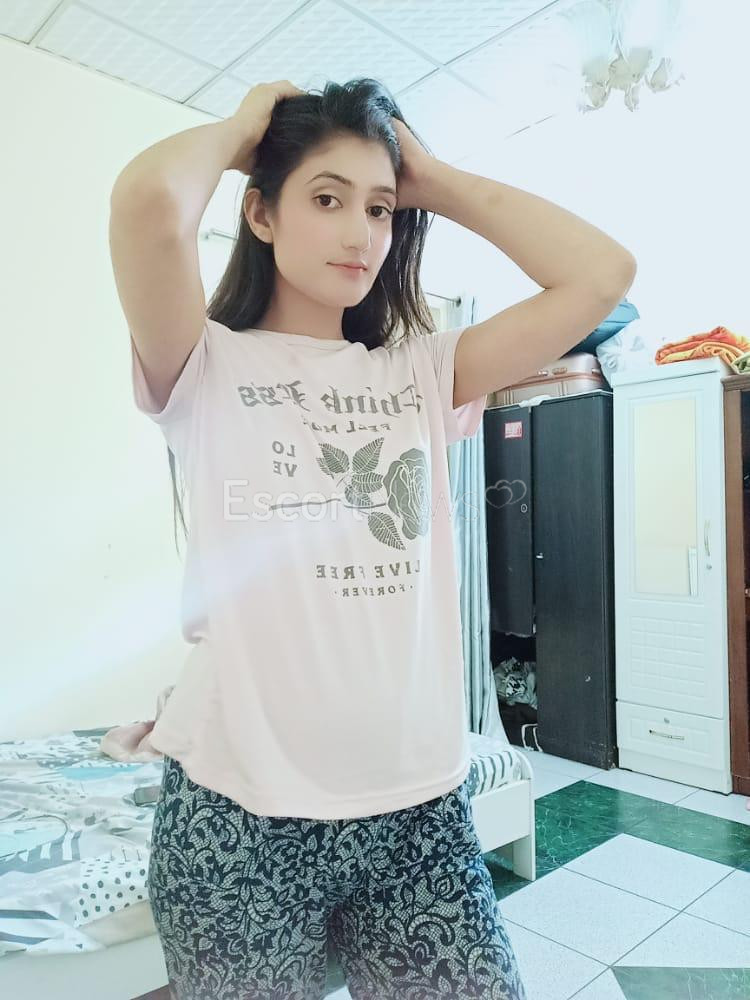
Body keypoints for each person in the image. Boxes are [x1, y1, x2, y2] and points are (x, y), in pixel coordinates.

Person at [109, 76, 634, 1000]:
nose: (360, 232)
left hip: (417, 817)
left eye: (380, 208)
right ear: (260, 214)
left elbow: (602, 274)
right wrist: (244, 129)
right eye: (326, 199)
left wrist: (433, 180)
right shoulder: (206, 363)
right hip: (239, 819)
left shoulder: (423, 372)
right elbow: (151, 202)